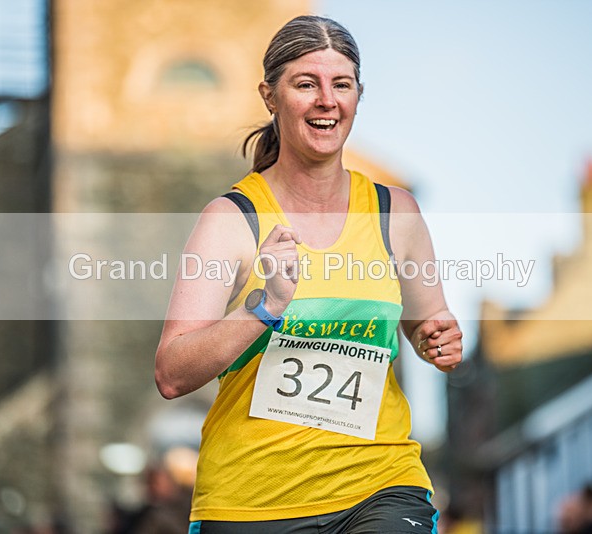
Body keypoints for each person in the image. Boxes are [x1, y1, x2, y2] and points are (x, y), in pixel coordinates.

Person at [154, 15, 463, 534]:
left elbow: (426, 321)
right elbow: (171, 372)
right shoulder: (232, 220)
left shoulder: (395, 212)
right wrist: (266, 307)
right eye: (306, 84)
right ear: (270, 97)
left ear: (357, 97)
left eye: (341, 85)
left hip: (379, 482)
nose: (326, 100)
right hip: (253, 498)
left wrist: (437, 338)